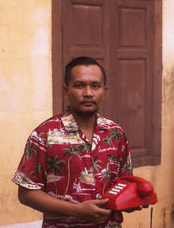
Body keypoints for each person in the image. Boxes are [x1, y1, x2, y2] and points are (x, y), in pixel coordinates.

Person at [12, 56, 133, 228]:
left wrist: (132, 201)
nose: (88, 93)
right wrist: (76, 210)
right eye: (79, 85)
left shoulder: (116, 133)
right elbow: (26, 193)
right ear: (65, 90)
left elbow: (125, 185)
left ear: (104, 90)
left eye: (95, 86)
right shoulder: (45, 134)